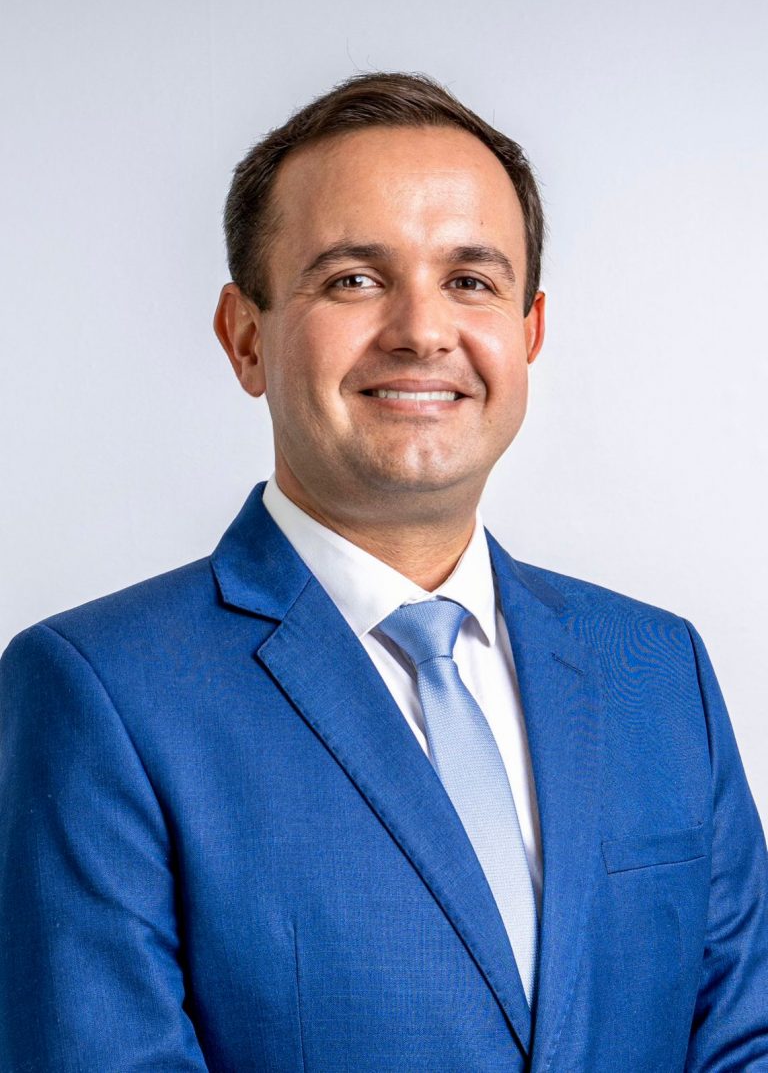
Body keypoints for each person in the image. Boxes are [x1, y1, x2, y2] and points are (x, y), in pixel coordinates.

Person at [1, 71, 766, 1072]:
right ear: (245, 337)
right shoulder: (97, 692)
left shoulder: (658, 668)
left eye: (471, 280)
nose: (421, 330)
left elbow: (743, 1038)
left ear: (529, 332)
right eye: (354, 279)